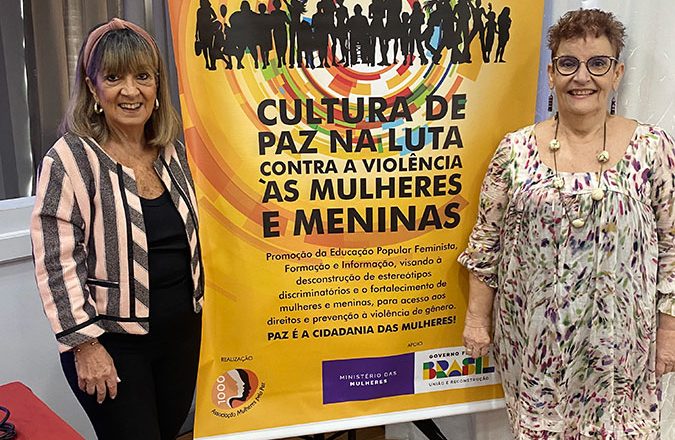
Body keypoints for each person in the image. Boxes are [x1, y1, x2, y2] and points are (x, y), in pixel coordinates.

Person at [459, 9, 675, 439]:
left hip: (622, 352)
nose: (582, 77)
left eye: (598, 63)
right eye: (568, 63)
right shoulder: (515, 150)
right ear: (551, 73)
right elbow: (486, 242)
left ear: (617, 73)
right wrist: (477, 321)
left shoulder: (652, 147)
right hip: (534, 347)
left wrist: (668, 332)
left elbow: (672, 245)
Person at [31, 18, 203, 440]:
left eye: (142, 76)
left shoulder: (173, 153)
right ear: (93, 89)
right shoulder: (70, 159)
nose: (131, 91)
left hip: (181, 338)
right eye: (114, 78)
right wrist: (85, 345)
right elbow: (56, 260)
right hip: (110, 345)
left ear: (157, 85)